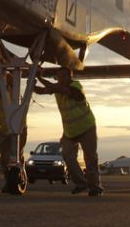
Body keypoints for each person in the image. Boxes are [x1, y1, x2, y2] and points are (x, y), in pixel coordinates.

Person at [34, 66, 104, 196]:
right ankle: (81, 183)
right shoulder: (58, 89)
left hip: (86, 127)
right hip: (70, 131)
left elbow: (57, 88)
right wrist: (32, 84)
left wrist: (39, 77)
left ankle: (95, 187)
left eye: (64, 77)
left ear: (70, 77)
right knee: (67, 156)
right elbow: (43, 90)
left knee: (90, 158)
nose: (61, 79)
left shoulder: (76, 86)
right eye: (59, 77)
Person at [0, 67, 28, 192]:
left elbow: (12, 79)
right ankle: (10, 180)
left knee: (15, 154)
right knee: (5, 158)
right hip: (4, 128)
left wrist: (6, 71)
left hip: (19, 127)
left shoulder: (13, 88)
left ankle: (19, 178)